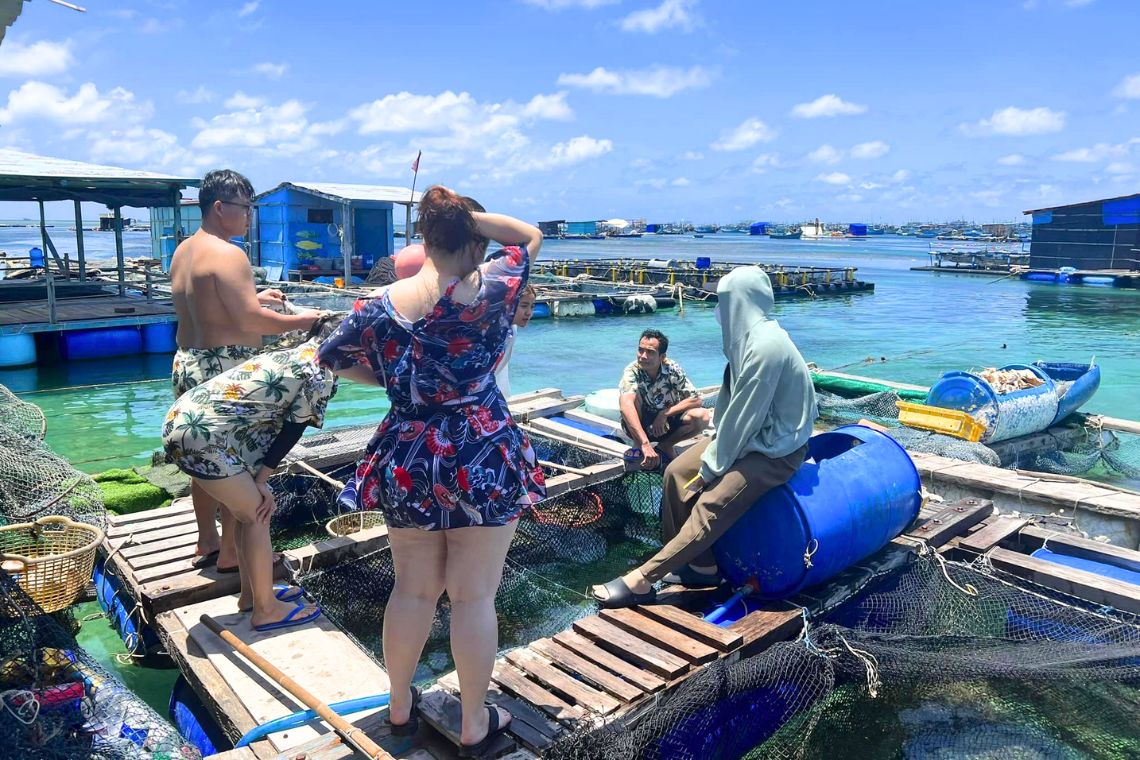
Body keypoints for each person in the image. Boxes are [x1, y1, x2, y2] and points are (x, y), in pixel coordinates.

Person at [319, 186, 544, 756]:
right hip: (481, 448)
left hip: (410, 449)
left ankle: (398, 707)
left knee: (413, 591)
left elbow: (331, 357)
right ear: (473, 238)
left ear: (423, 238)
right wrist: (469, 220)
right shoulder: (492, 288)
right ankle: (473, 722)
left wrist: (396, 381)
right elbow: (528, 235)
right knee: (473, 598)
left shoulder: (379, 306)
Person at [591, 267, 818, 607]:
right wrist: (712, 451)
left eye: (724, 301)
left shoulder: (767, 347)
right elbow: (732, 409)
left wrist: (712, 469)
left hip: (776, 450)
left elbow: (745, 419)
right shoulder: (745, 340)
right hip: (748, 438)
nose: (719, 310)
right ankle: (700, 566)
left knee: (710, 500)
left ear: (741, 302)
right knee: (676, 473)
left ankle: (642, 579)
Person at [169, 169, 320, 572]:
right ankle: (235, 554)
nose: (250, 217)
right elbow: (252, 322)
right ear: (220, 208)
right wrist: (308, 319)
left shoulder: (185, 250)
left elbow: (213, 300)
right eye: (245, 208)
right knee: (238, 460)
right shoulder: (231, 253)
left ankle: (207, 540)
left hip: (189, 361)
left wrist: (255, 296)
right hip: (225, 367)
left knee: (201, 455)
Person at [163, 320, 339, 630]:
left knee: (247, 514)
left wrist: (258, 480)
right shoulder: (319, 369)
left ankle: (251, 597)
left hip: (181, 423)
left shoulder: (291, 353)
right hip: (203, 438)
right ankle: (266, 610)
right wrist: (260, 481)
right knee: (258, 513)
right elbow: (294, 428)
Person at [618, 329, 711, 470]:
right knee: (630, 399)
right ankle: (639, 444)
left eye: (650, 352)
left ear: (662, 357)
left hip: (667, 423)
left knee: (702, 416)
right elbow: (625, 405)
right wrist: (644, 443)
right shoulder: (632, 371)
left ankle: (665, 446)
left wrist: (665, 414)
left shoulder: (672, 368)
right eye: (640, 350)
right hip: (643, 422)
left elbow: (696, 399)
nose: (643, 356)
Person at [493, 284, 536, 400]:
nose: (529, 312)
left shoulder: (512, 329)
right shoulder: (495, 331)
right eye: (524, 306)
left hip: (497, 391)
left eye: (532, 307)